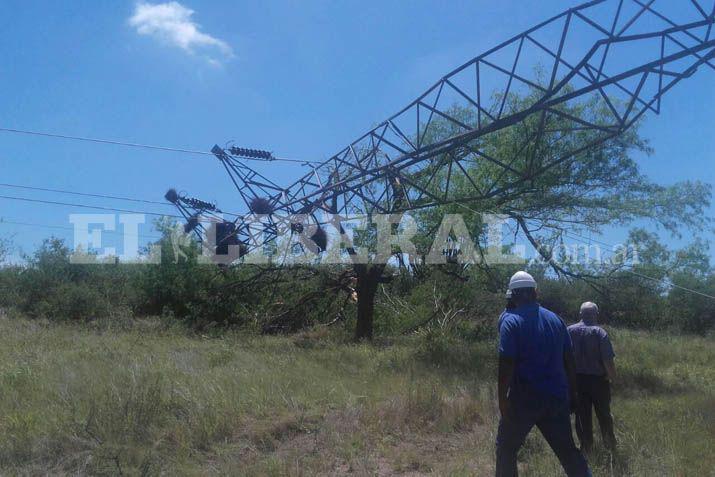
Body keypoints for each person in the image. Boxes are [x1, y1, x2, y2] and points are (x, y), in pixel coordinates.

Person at [496, 271, 590, 477]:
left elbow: (506, 364)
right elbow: (569, 361)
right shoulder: (556, 320)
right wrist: (573, 395)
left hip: (524, 401)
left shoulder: (511, 321)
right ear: (536, 292)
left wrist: (502, 400)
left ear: (512, 294)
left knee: (506, 449)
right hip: (557, 398)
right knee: (567, 451)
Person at [568, 302, 617, 453]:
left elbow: (563, 357)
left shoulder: (569, 331)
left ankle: (586, 446)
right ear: (596, 314)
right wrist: (612, 378)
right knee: (603, 414)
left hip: (577, 381)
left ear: (580, 314)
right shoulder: (599, 332)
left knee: (582, 416)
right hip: (598, 381)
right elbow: (607, 360)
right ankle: (609, 445)